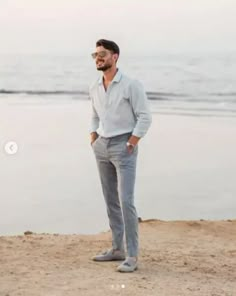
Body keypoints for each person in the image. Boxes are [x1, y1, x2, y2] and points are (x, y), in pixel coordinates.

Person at [89, 39, 152, 272]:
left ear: (115, 56)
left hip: (124, 146)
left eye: (102, 54)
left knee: (126, 202)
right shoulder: (94, 86)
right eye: (95, 54)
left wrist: (132, 142)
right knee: (110, 201)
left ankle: (132, 256)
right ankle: (117, 249)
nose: (98, 58)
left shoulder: (131, 85)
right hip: (102, 146)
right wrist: (93, 136)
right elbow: (95, 114)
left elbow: (145, 116)